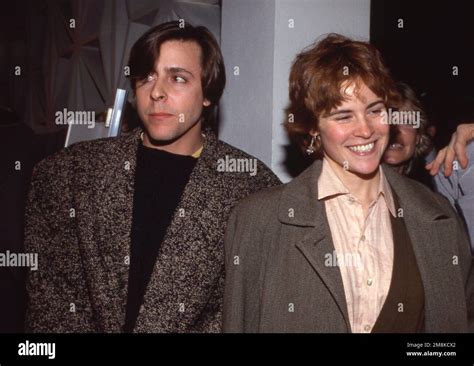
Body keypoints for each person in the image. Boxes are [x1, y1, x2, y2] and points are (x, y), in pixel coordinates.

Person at [24, 21, 280, 333]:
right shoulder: (69, 174)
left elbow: (249, 312)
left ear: (208, 93)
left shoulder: (252, 187)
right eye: (146, 77)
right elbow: (52, 306)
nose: (157, 92)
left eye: (178, 78)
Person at [223, 34, 473, 333]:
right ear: (313, 128)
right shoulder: (259, 220)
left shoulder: (437, 216)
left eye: (375, 111)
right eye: (344, 116)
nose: (365, 130)